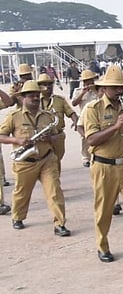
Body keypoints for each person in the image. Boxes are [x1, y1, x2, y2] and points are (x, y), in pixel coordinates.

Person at [83, 65, 123, 263]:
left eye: (121, 87)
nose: (119, 91)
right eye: (115, 87)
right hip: (104, 167)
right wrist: (117, 126)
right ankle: (102, 245)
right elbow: (91, 139)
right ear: (104, 88)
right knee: (104, 210)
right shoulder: (93, 109)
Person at [0, 81, 68, 235]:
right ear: (23, 98)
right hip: (25, 161)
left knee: (54, 191)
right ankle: (17, 217)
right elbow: (1, 135)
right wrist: (16, 141)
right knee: (21, 192)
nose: (35, 98)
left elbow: (60, 134)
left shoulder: (48, 116)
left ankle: (60, 224)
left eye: (37, 95)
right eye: (31, 95)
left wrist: (52, 137)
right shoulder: (14, 116)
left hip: (46, 159)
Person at [37, 73, 78, 166]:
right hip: (42, 138)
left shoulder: (60, 100)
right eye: (44, 84)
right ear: (38, 87)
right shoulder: (35, 101)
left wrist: (75, 121)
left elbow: (71, 113)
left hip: (57, 137)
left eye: (49, 84)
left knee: (56, 162)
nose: (47, 87)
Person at [72, 69, 101, 168]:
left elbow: (102, 99)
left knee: (97, 136)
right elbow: (74, 103)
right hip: (83, 118)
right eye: (86, 81)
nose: (88, 83)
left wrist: (94, 90)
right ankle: (86, 157)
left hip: (96, 117)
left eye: (90, 80)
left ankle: (96, 155)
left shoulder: (98, 89)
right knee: (84, 138)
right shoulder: (78, 91)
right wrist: (82, 93)